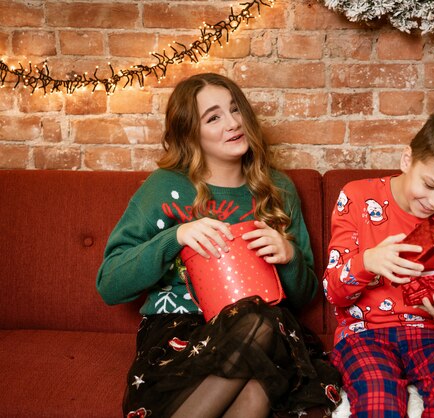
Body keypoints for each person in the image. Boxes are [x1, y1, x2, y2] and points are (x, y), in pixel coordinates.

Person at [96, 73, 340, 418]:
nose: (233, 123)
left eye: (235, 109)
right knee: (257, 381)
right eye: (214, 117)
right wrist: (175, 237)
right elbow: (109, 284)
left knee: (261, 338)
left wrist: (288, 256)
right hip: (180, 331)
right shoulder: (164, 188)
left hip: (267, 330)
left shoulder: (278, 189)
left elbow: (305, 296)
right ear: (190, 134)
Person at [323, 112, 434, 417]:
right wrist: (367, 262)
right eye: (430, 185)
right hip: (365, 333)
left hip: (431, 335)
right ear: (407, 160)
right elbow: (333, 292)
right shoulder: (357, 197)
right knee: (378, 401)